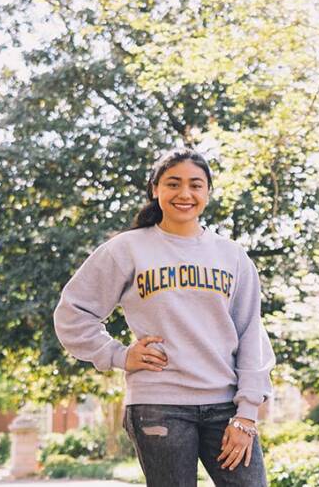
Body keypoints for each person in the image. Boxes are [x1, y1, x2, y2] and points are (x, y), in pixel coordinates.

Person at [54, 149, 273, 486]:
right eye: (173, 183)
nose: (185, 194)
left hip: (227, 406)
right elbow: (73, 313)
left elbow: (251, 334)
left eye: (195, 185)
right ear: (155, 189)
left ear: (207, 192)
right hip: (158, 404)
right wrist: (118, 354)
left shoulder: (232, 256)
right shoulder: (126, 249)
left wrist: (247, 413)